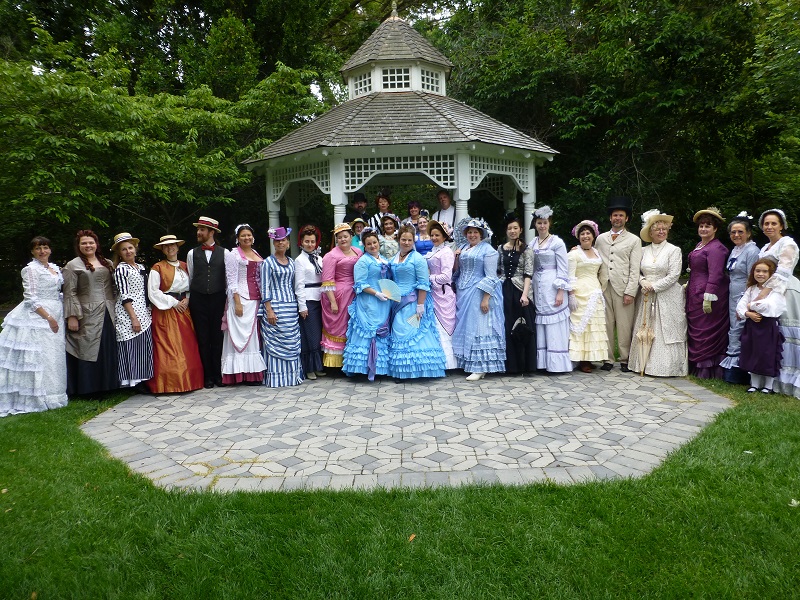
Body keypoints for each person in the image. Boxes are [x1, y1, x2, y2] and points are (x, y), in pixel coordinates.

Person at [0, 236, 68, 417]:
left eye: (45, 247)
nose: (42, 251)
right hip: (38, 316)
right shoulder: (30, 270)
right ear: (32, 252)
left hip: (57, 312)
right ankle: (39, 397)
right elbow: (30, 298)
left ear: (50, 250)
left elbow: (57, 292)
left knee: (54, 356)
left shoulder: (54, 269)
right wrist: (48, 317)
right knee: (40, 357)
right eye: (38, 248)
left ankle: (56, 395)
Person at [628, 210, 688, 377]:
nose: (661, 232)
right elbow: (635, 270)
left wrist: (654, 286)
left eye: (664, 228)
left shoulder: (674, 250)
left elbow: (674, 275)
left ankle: (665, 367)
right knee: (645, 328)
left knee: (665, 330)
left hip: (666, 295)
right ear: (650, 232)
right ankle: (641, 363)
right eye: (658, 229)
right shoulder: (643, 250)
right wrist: (642, 281)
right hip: (646, 296)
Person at [63, 229, 119, 395]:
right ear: (78, 246)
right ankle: (90, 388)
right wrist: (72, 316)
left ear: (97, 244)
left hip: (109, 311)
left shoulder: (107, 262)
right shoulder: (73, 265)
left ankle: (110, 385)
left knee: (107, 347)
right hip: (87, 312)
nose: (88, 245)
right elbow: (70, 292)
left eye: (91, 242)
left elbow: (115, 287)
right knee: (88, 346)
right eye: (84, 243)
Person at [147, 235, 205, 393]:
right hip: (166, 312)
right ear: (163, 250)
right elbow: (153, 292)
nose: (170, 248)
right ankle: (169, 384)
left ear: (178, 248)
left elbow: (193, 285)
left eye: (172, 245)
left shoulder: (186, 266)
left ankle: (190, 381)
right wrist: (174, 303)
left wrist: (187, 299)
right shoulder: (157, 268)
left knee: (187, 345)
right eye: (166, 246)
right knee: (169, 346)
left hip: (184, 310)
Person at [388, 225, 446, 380]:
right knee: (399, 333)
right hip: (396, 302)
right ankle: (401, 370)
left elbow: (423, 283)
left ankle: (418, 369)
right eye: (403, 239)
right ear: (398, 239)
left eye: (410, 240)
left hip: (413, 301)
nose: (406, 242)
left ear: (413, 241)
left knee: (412, 333)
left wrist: (420, 305)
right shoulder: (394, 258)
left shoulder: (418, 259)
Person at [452, 218, 505, 380]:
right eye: (469, 232)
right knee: (467, 326)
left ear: (481, 234)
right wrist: (456, 258)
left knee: (479, 327)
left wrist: (486, 298)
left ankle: (481, 366)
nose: (472, 235)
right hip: (463, 291)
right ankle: (468, 362)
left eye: (475, 232)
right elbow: (457, 271)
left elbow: (491, 276)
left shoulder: (488, 250)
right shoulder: (462, 248)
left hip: (479, 291)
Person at [594, 196, 642, 372]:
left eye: (621, 215)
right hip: (604, 286)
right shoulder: (600, 239)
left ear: (626, 218)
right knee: (606, 324)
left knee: (624, 325)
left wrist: (630, 291)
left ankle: (625, 358)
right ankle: (607, 358)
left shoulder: (634, 240)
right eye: (615, 215)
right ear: (610, 218)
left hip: (623, 288)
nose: (617, 218)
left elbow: (635, 268)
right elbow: (593, 258)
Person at [757, 208, 800, 397]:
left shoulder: (787, 243)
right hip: (768, 292)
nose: (769, 226)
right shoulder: (764, 248)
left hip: (785, 291)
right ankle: (773, 376)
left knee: (788, 333)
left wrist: (763, 293)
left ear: (781, 225)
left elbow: (783, 271)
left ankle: (791, 380)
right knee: (774, 334)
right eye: (766, 223)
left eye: (774, 223)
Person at [260, 227, 307, 387]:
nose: (281, 243)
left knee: (292, 340)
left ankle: (292, 376)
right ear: (274, 243)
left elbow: (295, 285)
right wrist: (269, 309)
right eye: (278, 240)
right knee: (276, 341)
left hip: (290, 305)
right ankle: (276, 378)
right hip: (275, 305)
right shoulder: (267, 263)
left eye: (284, 240)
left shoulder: (292, 262)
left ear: (288, 243)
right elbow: (264, 287)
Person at [343, 228, 392, 380]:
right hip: (369, 301)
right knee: (368, 331)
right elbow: (360, 284)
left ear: (379, 243)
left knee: (381, 331)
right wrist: (376, 293)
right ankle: (364, 368)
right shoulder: (363, 261)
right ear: (364, 246)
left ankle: (380, 368)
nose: (372, 246)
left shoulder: (383, 259)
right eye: (369, 244)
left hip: (384, 302)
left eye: (374, 243)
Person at [687, 207, 730, 379]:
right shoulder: (700, 245)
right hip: (694, 293)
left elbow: (716, 273)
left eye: (708, 226)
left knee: (706, 329)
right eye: (701, 226)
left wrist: (709, 295)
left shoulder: (716, 248)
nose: (703, 229)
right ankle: (696, 365)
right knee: (697, 329)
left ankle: (707, 369)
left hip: (708, 294)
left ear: (715, 229)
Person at [221, 224, 267, 385]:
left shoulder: (255, 253)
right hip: (240, 299)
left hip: (255, 300)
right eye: (243, 236)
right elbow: (231, 280)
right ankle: (237, 374)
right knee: (238, 335)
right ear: (237, 238)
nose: (246, 238)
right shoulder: (233, 255)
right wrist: (237, 302)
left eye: (249, 235)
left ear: (253, 237)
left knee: (253, 337)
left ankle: (252, 373)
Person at [187, 216, 229, 389]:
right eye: (198, 229)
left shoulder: (225, 253)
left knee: (217, 337)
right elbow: (190, 277)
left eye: (202, 230)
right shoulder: (192, 253)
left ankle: (218, 375)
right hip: (198, 299)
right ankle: (207, 376)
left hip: (218, 298)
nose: (198, 232)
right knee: (203, 338)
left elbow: (227, 279)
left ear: (211, 232)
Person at [529, 206, 572, 373]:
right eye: (539, 223)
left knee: (554, 322)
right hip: (538, 285)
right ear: (535, 224)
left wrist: (561, 291)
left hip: (553, 284)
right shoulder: (532, 242)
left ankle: (557, 364)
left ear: (549, 224)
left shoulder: (557, 242)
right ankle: (543, 363)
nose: (542, 226)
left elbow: (563, 268)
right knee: (540, 321)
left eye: (545, 223)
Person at [720, 212, 760, 384]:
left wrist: (745, 302)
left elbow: (753, 277)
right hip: (733, 294)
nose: (736, 235)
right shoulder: (736, 250)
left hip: (744, 295)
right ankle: (733, 369)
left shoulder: (752, 250)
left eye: (740, 232)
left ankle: (740, 372)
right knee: (734, 329)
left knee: (740, 328)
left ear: (748, 233)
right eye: (733, 232)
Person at [737, 259, 787, 393]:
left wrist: (751, 305)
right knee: (752, 352)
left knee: (767, 354)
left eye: (765, 271)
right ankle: (754, 384)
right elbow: (740, 306)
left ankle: (768, 386)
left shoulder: (775, 290)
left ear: (771, 274)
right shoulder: (751, 289)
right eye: (757, 271)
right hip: (752, 326)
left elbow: (769, 306)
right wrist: (748, 313)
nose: (760, 274)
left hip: (768, 327)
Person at [111, 233, 153, 390]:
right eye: (124, 249)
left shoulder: (140, 267)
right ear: (119, 253)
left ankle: (143, 379)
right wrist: (133, 318)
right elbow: (124, 295)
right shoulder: (121, 270)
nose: (128, 251)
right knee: (131, 346)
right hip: (129, 312)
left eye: (130, 248)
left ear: (135, 249)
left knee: (142, 345)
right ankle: (132, 381)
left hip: (143, 309)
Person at [567, 220, 609, 373]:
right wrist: (571, 294)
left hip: (595, 292)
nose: (585, 236)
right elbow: (570, 276)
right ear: (578, 237)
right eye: (582, 234)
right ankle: (581, 359)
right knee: (581, 327)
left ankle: (591, 357)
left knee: (593, 327)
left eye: (588, 233)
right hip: (580, 292)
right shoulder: (573, 254)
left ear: (593, 236)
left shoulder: (597, 252)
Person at [497, 213, 537, 375]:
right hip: (505, 290)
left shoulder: (527, 250)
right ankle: (511, 365)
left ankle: (526, 365)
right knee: (507, 327)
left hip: (520, 290)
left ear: (520, 230)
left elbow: (528, 274)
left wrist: (525, 295)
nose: (512, 231)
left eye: (515, 228)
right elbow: (499, 270)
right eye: (509, 228)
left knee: (523, 326)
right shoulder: (501, 248)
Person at [320, 223, 363, 368]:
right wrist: (332, 301)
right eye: (339, 237)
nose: (343, 239)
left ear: (351, 236)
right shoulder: (331, 256)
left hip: (355, 293)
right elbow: (327, 280)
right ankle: (336, 363)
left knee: (353, 325)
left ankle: (352, 359)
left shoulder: (358, 252)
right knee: (340, 327)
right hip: (339, 295)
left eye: (345, 236)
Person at [425, 220, 458, 370]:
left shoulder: (446, 252)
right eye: (432, 235)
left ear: (445, 237)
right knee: (435, 326)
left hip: (443, 293)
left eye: (437, 235)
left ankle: (449, 363)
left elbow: (446, 276)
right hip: (434, 293)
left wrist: (429, 278)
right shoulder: (434, 250)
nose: (434, 237)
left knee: (444, 326)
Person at [295, 225, 326, 380]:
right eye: (307, 241)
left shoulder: (319, 258)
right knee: (309, 334)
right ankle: (309, 368)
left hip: (320, 298)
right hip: (308, 300)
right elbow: (299, 285)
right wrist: (302, 306)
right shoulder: (299, 260)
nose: (310, 244)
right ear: (301, 242)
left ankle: (318, 366)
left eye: (312, 241)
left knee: (318, 334)